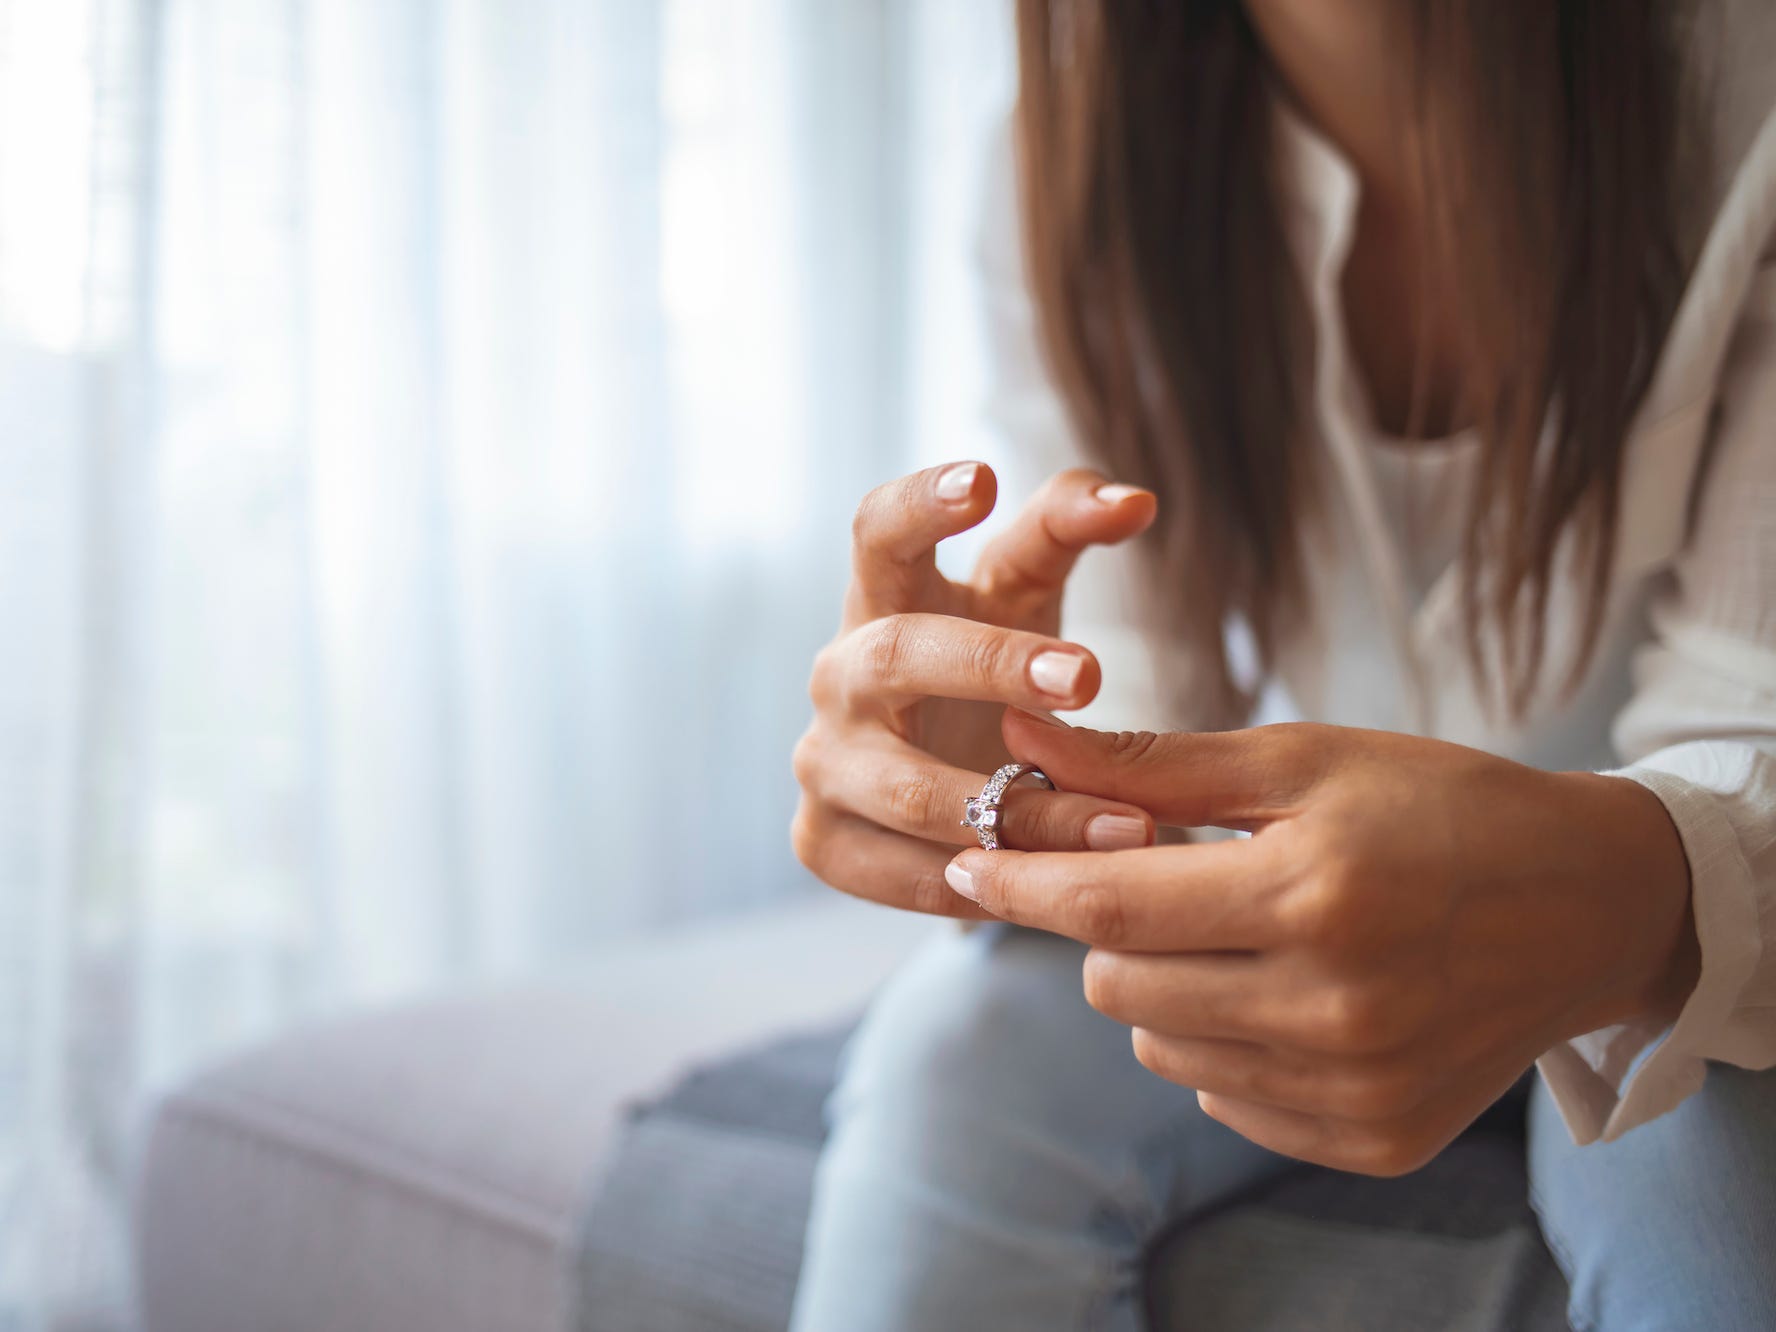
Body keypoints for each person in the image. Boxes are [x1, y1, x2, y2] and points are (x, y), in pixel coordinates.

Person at [787, 1, 1776, 1329]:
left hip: (1656, 925)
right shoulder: (1076, 160)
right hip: (1328, 911)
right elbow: (1140, 699)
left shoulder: (1743, 94)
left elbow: (1748, 735)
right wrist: (1016, 789)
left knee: (1698, 1178)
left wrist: (1643, 904)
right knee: (955, 1053)